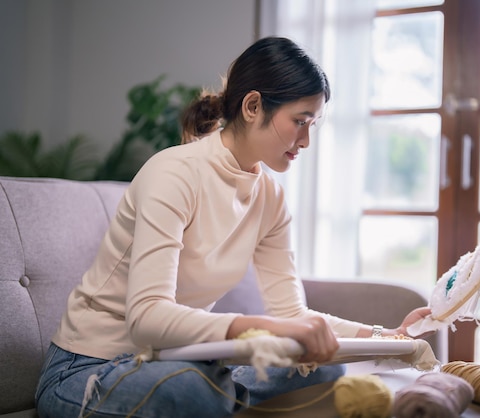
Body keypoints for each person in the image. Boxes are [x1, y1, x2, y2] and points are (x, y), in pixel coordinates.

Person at [35, 36, 432, 418]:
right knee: (194, 388)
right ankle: (218, 395)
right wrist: (258, 327)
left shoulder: (270, 198)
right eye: (299, 121)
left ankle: (219, 395)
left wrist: (388, 338)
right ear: (253, 106)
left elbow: (293, 314)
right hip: (88, 370)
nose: (306, 140)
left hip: (175, 362)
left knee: (322, 368)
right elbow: (146, 318)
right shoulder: (173, 173)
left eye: (313, 124)